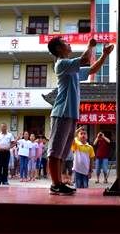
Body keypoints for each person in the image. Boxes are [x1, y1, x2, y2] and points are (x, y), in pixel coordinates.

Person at [46, 36, 113, 195]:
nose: (68, 44)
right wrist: (90, 46)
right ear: (58, 49)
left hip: (70, 114)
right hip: (61, 113)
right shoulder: (61, 64)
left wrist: (104, 55)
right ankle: (55, 184)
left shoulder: (71, 68)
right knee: (55, 151)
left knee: (61, 152)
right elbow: (84, 59)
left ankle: (58, 183)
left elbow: (92, 69)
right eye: (65, 43)